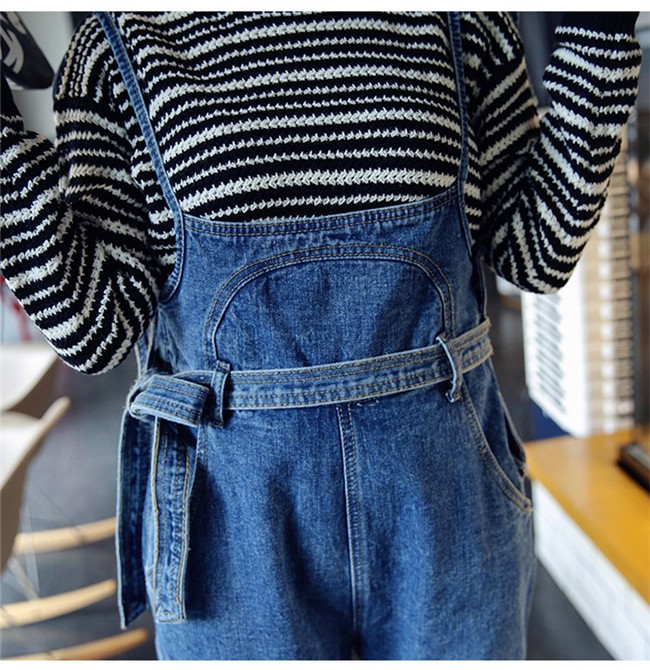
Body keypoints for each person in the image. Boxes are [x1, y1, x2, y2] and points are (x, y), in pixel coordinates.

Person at [0, 11, 641, 661]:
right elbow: (95, 330)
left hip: (444, 503)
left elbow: (536, 256)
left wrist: (603, 33)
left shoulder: (461, 23)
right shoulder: (117, 51)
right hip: (234, 525)